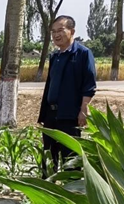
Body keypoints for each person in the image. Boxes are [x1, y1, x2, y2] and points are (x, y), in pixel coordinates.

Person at [37, 15, 97, 177]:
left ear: (72, 31)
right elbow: (50, 85)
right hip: (51, 114)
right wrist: (44, 114)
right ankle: (47, 192)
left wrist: (84, 109)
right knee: (49, 156)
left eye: (60, 30)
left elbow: (89, 85)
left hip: (70, 115)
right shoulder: (55, 57)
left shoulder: (83, 54)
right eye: (53, 31)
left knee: (71, 157)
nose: (56, 35)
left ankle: (72, 193)